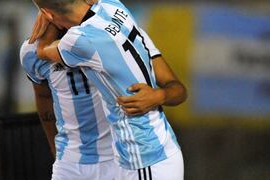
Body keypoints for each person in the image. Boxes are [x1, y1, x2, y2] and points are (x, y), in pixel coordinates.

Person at [31, 0, 187, 179]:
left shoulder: (80, 40)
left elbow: (42, 51)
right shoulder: (114, 6)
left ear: (48, 15)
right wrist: (160, 95)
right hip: (151, 150)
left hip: (144, 155)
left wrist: (159, 96)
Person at [20, 37, 116, 179]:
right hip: (69, 162)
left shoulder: (102, 34)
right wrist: (55, 148)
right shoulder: (31, 50)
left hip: (116, 157)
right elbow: (43, 96)